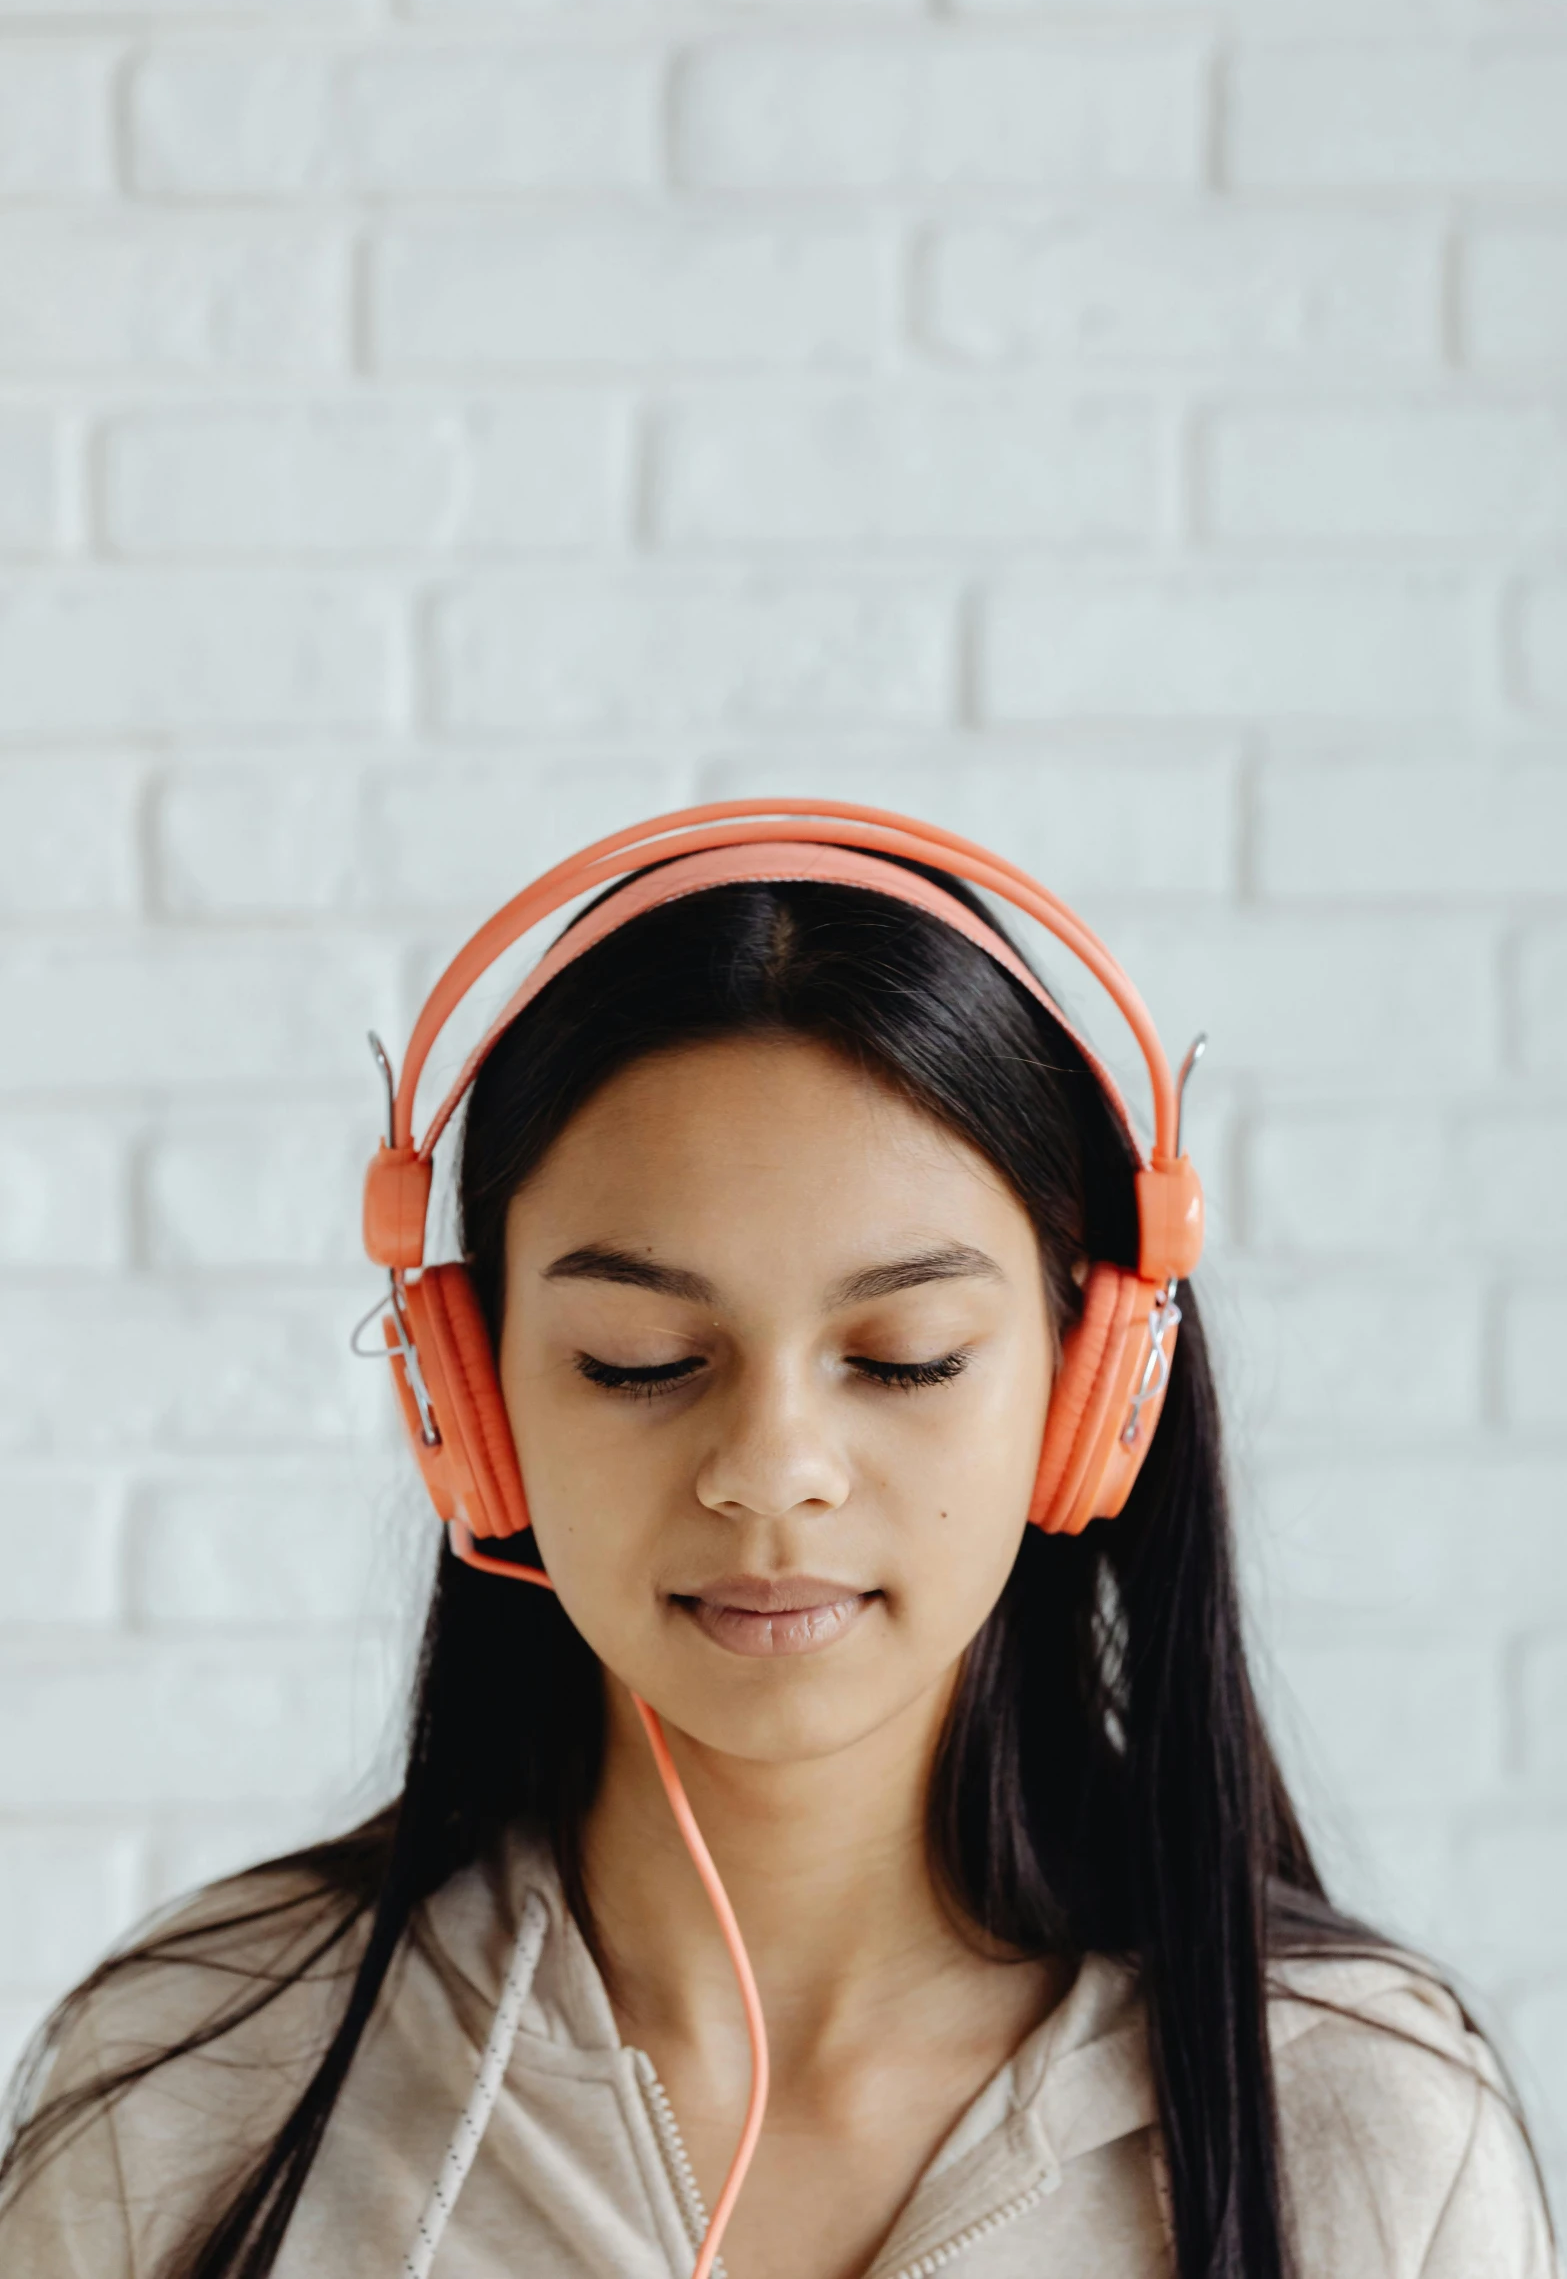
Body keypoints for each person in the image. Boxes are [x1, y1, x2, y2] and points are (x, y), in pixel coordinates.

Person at [0, 804, 1554, 2279]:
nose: (768, 1474)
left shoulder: (1364, 2130)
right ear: (468, 1409)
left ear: (1091, 1391)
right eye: (638, 1360)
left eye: (904, 1359)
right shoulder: (192, 2092)